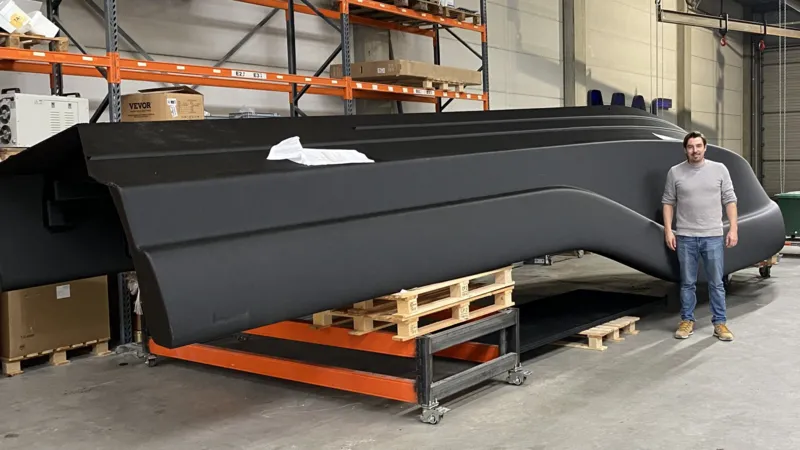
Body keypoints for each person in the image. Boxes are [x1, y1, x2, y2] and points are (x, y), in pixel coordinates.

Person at [661, 131, 738, 341]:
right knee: (687, 282)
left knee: (716, 282)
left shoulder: (719, 170)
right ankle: (687, 321)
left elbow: (730, 200)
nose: (695, 150)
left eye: (698, 146)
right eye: (690, 147)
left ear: (705, 148)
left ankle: (720, 323)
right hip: (685, 236)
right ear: (685, 149)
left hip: (712, 235)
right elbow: (668, 202)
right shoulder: (675, 173)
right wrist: (669, 229)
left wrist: (733, 228)